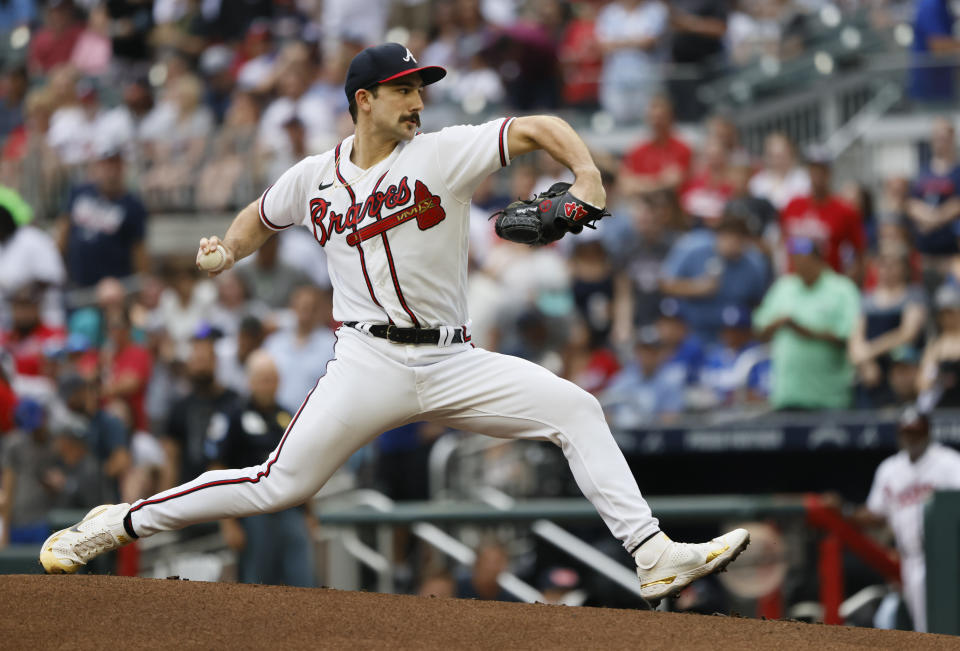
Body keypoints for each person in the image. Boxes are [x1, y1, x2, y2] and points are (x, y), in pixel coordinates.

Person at [40, 42, 748, 604]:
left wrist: (588, 177)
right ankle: (118, 521)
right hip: (366, 362)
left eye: (421, 88)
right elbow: (261, 217)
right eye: (405, 89)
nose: (418, 101)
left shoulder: (443, 153)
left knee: (576, 407)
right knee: (277, 483)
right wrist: (226, 250)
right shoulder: (314, 176)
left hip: (453, 359)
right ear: (365, 100)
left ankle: (652, 555)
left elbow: (539, 127)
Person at [209, 350, 316, 587]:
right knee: (257, 583)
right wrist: (227, 523)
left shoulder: (288, 416)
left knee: (303, 579)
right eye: (263, 379)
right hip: (252, 511)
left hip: (289, 509)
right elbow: (218, 466)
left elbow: (302, 466)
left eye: (272, 379)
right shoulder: (233, 416)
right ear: (251, 381)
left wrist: (310, 514)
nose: (268, 385)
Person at [852, 408, 960, 632]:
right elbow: (875, 514)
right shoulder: (890, 469)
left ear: (928, 433)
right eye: (907, 433)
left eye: (916, 433)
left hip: (947, 559)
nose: (911, 439)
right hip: (912, 558)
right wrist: (844, 511)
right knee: (925, 628)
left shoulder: (950, 462)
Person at [753, 237, 860, 410]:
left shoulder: (842, 290)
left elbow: (848, 336)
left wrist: (804, 330)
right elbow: (759, 329)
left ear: (819, 260)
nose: (800, 264)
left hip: (829, 398)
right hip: (787, 395)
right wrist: (779, 323)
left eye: (805, 259)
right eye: (796, 259)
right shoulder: (783, 287)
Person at [779, 147, 865, 279]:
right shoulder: (792, 205)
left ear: (830, 172)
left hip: (827, 284)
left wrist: (846, 284)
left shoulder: (845, 210)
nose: (818, 174)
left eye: (822, 169)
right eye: (814, 169)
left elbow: (860, 253)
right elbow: (784, 243)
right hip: (795, 283)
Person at [905, 117, 960, 256]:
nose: (940, 141)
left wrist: (935, 219)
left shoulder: (957, 171)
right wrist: (928, 218)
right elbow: (911, 203)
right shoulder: (922, 171)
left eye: (943, 137)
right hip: (924, 248)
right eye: (936, 136)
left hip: (951, 249)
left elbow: (956, 204)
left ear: (951, 138)